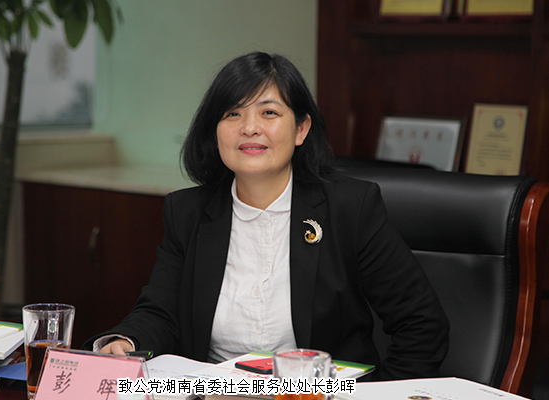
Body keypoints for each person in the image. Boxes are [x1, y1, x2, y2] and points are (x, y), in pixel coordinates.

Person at [83, 51, 449, 380]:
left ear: (301, 129)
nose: (249, 127)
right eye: (233, 114)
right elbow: (161, 311)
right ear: (215, 131)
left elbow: (421, 324)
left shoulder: (349, 208)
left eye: (269, 112)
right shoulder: (187, 213)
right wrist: (125, 340)